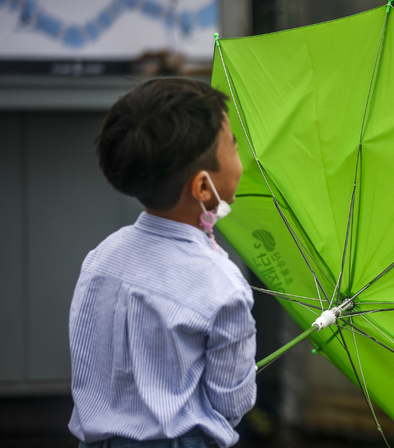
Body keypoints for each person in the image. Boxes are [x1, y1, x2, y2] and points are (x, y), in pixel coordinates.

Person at [68, 78, 256, 448]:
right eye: (233, 146)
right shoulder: (222, 285)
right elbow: (231, 404)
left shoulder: (101, 258)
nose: (240, 156)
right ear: (204, 188)